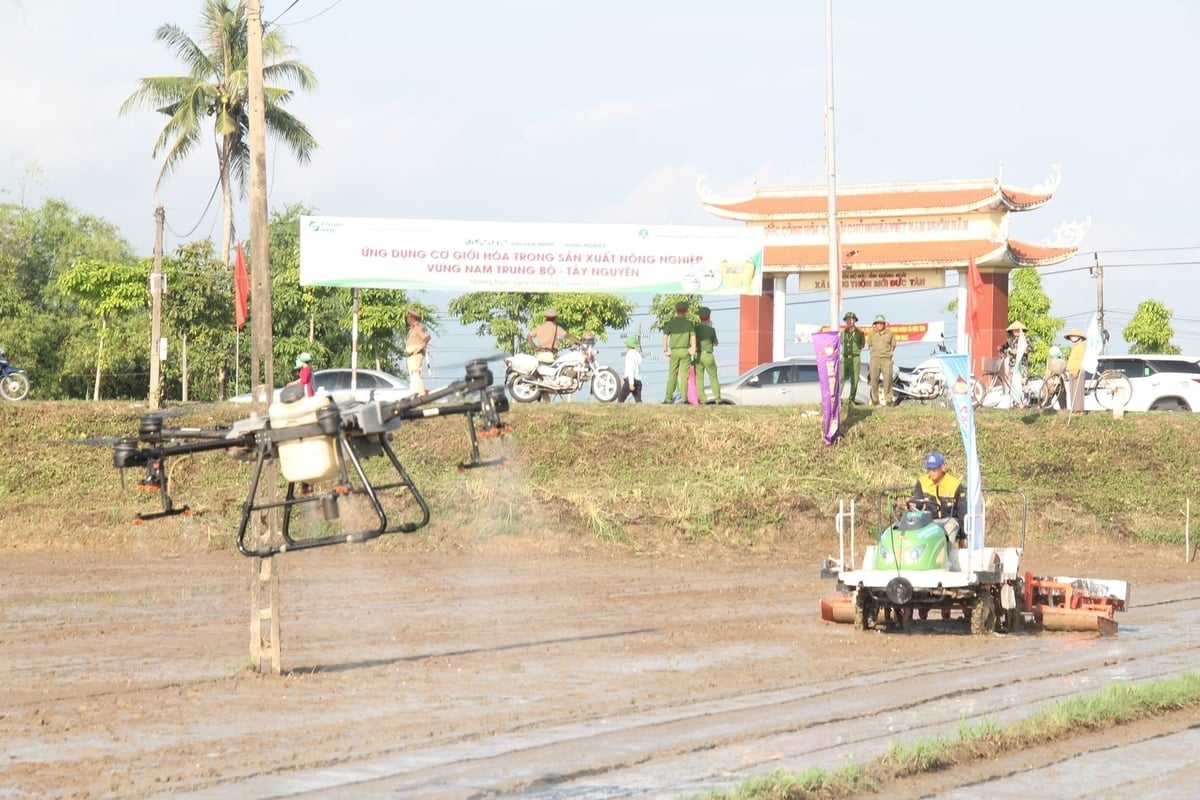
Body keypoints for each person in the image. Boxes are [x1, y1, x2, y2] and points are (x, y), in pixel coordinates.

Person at [910, 451, 967, 547]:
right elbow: (917, 501)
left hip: (949, 520)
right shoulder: (922, 482)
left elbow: (962, 512)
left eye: (935, 469)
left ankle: (945, 557)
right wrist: (914, 505)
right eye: (929, 469)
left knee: (948, 532)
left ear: (942, 468)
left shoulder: (955, 484)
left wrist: (963, 536)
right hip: (929, 521)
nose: (931, 472)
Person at [661, 301, 697, 403]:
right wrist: (693, 350)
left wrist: (665, 349)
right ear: (686, 311)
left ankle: (668, 398)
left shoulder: (671, 323)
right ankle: (684, 399)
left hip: (674, 352)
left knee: (672, 374)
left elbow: (665, 336)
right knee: (684, 376)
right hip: (685, 351)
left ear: (676, 311)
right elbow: (693, 338)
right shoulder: (689, 324)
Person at [866, 314, 896, 405]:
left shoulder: (890, 334)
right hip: (875, 359)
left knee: (888, 379)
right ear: (875, 324)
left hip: (886, 359)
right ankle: (875, 399)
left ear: (884, 324)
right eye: (877, 323)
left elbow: (893, 345)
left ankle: (889, 399)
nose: (879, 325)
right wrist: (874, 354)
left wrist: (888, 354)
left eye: (881, 323)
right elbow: (869, 345)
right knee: (874, 379)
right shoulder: (871, 334)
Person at [693, 306, 721, 404]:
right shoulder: (711, 330)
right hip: (708, 355)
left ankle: (703, 399)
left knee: (699, 378)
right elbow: (715, 343)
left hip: (698, 355)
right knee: (713, 377)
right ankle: (717, 398)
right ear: (708, 317)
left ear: (699, 317)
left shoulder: (695, 329)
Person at [1003, 321, 1031, 407]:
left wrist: (1021, 351)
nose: (1016, 332)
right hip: (1012, 364)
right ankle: (1016, 402)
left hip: (1022, 364)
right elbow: (1004, 348)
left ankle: (1025, 402)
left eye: (1018, 330)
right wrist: (1009, 350)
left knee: (1023, 382)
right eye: (1014, 330)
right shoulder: (1010, 340)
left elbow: (1029, 349)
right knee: (1013, 383)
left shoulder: (1026, 339)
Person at [404, 308, 432, 395]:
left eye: (409, 317)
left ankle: (416, 393)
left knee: (416, 374)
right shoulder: (412, 329)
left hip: (416, 355)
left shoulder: (419, 327)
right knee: (413, 375)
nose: (408, 319)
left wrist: (419, 348)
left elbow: (427, 337)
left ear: (413, 318)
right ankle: (419, 393)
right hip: (411, 356)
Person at [840, 311, 865, 404]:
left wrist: (855, 350)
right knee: (841, 378)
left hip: (855, 358)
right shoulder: (843, 333)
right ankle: (837, 399)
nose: (849, 321)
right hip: (845, 357)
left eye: (851, 319)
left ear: (855, 320)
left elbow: (862, 344)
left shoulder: (859, 333)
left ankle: (851, 399)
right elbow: (841, 343)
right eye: (847, 320)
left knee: (854, 379)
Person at [1064, 327, 1087, 413]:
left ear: (1079, 337)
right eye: (1071, 336)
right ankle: (1074, 409)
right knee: (1073, 391)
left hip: (1078, 370)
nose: (1073, 338)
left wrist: (1076, 370)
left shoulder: (1081, 347)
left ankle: (1079, 410)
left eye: (1075, 336)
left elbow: (1081, 359)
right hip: (1071, 370)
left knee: (1078, 391)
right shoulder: (1075, 347)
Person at [617, 335, 643, 403]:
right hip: (638, 380)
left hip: (630, 380)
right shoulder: (638, 354)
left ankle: (618, 412)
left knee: (621, 399)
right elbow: (638, 367)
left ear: (628, 345)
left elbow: (631, 368)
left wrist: (631, 383)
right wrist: (625, 375)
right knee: (638, 400)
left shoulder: (629, 354)